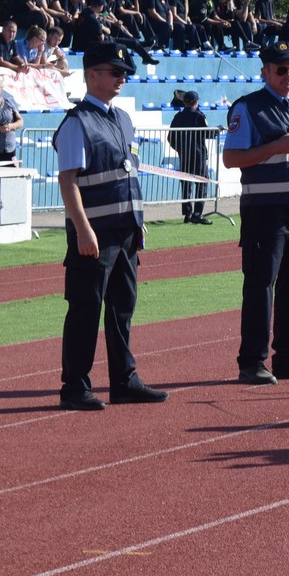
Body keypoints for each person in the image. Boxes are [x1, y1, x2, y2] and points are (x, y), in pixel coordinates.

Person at [52, 44, 168, 411]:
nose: (122, 79)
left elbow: (127, 176)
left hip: (125, 232)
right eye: (114, 72)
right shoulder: (77, 122)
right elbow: (68, 180)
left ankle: (124, 381)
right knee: (85, 308)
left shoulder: (122, 119)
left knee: (122, 308)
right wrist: (83, 230)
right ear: (92, 75)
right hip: (95, 235)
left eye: (124, 74)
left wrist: (139, 224)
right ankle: (75, 386)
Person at [222, 38, 289, 385]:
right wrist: (276, 147)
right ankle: (252, 361)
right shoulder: (248, 108)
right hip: (264, 212)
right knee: (261, 285)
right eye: (281, 70)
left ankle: (288, 356)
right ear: (265, 72)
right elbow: (231, 159)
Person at [169, 89, 215, 224]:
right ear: (196, 102)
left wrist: (180, 150)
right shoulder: (199, 116)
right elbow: (208, 134)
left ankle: (187, 214)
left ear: (184, 102)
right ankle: (197, 214)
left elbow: (170, 138)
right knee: (202, 183)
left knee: (186, 185)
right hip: (198, 156)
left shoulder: (178, 117)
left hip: (184, 156)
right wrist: (216, 130)